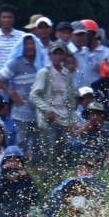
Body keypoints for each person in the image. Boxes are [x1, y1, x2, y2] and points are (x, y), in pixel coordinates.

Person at [31, 43, 76, 176]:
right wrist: (47, 110)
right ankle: (47, 182)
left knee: (61, 152)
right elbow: (34, 95)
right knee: (48, 151)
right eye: (55, 53)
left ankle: (59, 181)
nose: (57, 56)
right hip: (50, 118)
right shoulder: (44, 72)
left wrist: (72, 118)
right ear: (50, 55)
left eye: (60, 53)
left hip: (64, 116)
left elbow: (71, 98)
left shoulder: (67, 74)